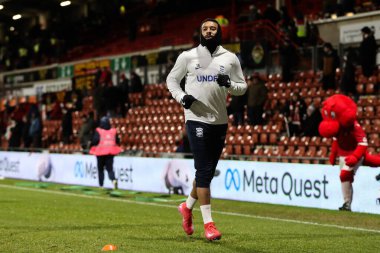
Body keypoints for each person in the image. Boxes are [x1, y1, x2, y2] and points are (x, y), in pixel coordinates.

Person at [166, 18, 247, 241]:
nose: (209, 31)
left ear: (219, 32)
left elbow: (242, 87)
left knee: (207, 172)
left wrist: (229, 84)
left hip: (220, 121)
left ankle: (186, 206)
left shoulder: (230, 58)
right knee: (203, 170)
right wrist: (182, 97)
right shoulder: (187, 56)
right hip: (195, 119)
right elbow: (172, 80)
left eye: (213, 28)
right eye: (205, 28)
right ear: (200, 33)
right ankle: (209, 225)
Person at [89, 116, 121, 190]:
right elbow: (117, 141)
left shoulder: (99, 130)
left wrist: (91, 144)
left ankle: (101, 185)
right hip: (110, 153)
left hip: (100, 153)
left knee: (100, 169)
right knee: (110, 169)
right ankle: (113, 180)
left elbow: (95, 140)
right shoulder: (113, 131)